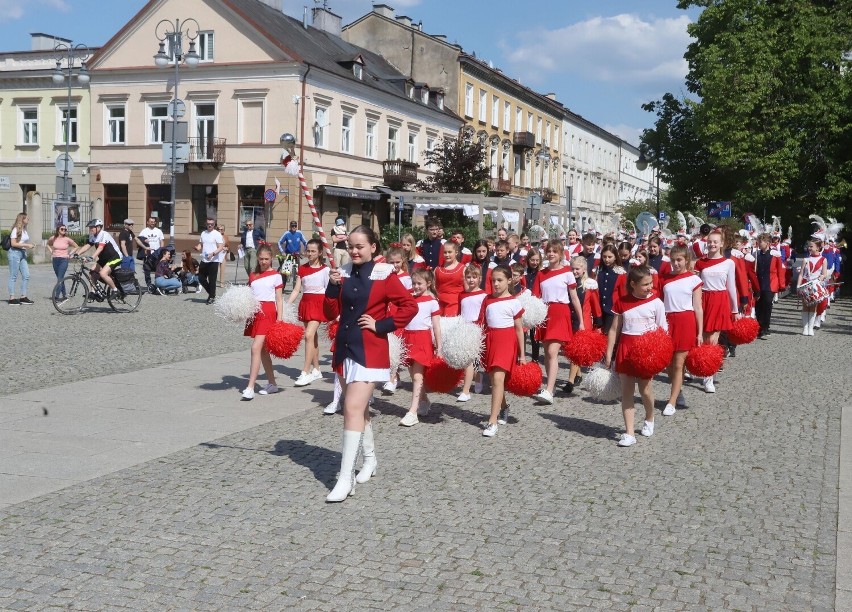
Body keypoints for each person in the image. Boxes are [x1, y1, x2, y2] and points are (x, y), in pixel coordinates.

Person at [322, 225, 417, 502]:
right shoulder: (345, 272)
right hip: (345, 349)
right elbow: (330, 312)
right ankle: (371, 459)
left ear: (373, 247)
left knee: (351, 407)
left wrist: (382, 325)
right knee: (359, 409)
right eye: (351, 246)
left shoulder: (384, 274)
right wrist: (332, 285)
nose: (354, 250)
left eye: (360, 246)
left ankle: (345, 477)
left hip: (370, 351)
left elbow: (409, 306)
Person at [605, 266, 668, 447]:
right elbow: (614, 329)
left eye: (651, 283)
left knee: (645, 390)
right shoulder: (621, 302)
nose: (650, 287)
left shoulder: (656, 302)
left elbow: (663, 330)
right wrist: (609, 354)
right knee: (627, 392)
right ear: (633, 284)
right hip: (625, 350)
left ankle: (649, 418)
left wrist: (658, 354)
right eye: (646, 284)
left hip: (646, 352)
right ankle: (629, 432)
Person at [531, 241, 585, 405]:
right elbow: (536, 298)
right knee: (547, 352)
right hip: (545, 314)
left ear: (561, 254)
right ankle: (551, 386)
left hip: (560, 313)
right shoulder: (541, 274)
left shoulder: (567, 273)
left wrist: (581, 321)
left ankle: (548, 390)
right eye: (549, 251)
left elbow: (574, 298)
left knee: (553, 351)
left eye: (554, 251)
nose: (551, 254)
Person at [477, 265, 526, 437]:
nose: (496, 284)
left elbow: (519, 330)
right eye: (493, 280)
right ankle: (504, 407)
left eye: (500, 280)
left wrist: (522, 354)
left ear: (509, 280)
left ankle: (492, 421)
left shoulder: (514, 302)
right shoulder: (487, 299)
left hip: (506, 342)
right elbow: (481, 322)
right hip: (491, 341)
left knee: (498, 378)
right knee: (495, 381)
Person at [694, 229, 739, 392]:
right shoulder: (700, 263)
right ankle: (700, 366)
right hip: (703, 300)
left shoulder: (729, 263)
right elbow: (695, 284)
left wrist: (735, 309)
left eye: (715, 242)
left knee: (713, 340)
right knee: (703, 338)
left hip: (720, 301)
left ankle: (709, 377)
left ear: (721, 244)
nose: (712, 244)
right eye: (710, 241)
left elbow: (731, 286)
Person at [661, 244, 703, 416]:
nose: (676, 264)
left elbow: (698, 307)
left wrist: (700, 333)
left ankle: (671, 401)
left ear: (686, 260)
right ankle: (678, 391)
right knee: (668, 365)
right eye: (673, 260)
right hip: (668, 321)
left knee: (679, 364)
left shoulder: (694, 280)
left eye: (679, 260)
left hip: (686, 321)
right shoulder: (664, 279)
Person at [399, 268, 442, 427]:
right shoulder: (409, 299)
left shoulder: (432, 302)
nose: (415, 286)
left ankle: (412, 412)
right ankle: (424, 401)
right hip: (408, 337)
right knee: (413, 374)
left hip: (422, 339)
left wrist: (439, 346)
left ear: (428, 283)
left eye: (419, 283)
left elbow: (436, 326)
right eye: (414, 283)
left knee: (418, 376)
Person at [242, 244, 284, 400]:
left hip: (268, 313)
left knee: (255, 348)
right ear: (257, 259)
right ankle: (272, 383)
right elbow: (248, 296)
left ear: (271, 258)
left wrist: (279, 319)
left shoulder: (276, 275)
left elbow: (279, 299)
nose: (264, 262)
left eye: (266, 259)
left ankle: (250, 386)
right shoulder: (252, 275)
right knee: (264, 350)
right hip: (255, 312)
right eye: (261, 259)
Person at [288, 238, 330, 387]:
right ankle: (317, 369)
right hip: (306, 302)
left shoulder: (326, 270)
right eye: (308, 251)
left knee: (308, 335)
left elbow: (329, 290)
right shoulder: (302, 268)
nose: (310, 254)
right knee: (313, 338)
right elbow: (296, 289)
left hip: (319, 303)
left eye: (313, 251)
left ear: (320, 252)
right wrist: (287, 305)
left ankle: (305, 372)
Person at [563, 256, 602, 394]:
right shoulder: (567, 282)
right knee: (569, 350)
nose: (574, 271)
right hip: (568, 320)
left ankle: (570, 381)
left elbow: (595, 305)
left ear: (584, 269)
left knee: (576, 352)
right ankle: (578, 374)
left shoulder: (590, 284)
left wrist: (598, 323)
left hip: (583, 322)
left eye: (577, 269)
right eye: (572, 269)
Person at [380, 245, 412, 396]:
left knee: (395, 348)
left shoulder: (405, 278)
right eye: (392, 262)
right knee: (389, 347)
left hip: (398, 316)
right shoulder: (385, 276)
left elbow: (408, 300)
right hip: (387, 314)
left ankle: (391, 379)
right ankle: (395, 377)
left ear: (403, 261)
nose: (395, 265)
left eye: (398, 262)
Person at [457, 265, 487, 401]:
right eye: (468, 277)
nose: (471, 280)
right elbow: (460, 312)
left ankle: (466, 391)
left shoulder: (484, 295)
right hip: (463, 329)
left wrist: (481, 330)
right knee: (465, 362)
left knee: (470, 360)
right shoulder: (462, 295)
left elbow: (484, 315)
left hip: (476, 330)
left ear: (479, 279)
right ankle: (477, 376)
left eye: (474, 277)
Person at [72, 219, 121, 294]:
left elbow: (100, 248)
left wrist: (92, 257)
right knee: (92, 272)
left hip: (115, 257)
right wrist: (77, 253)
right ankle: (93, 292)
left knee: (103, 273)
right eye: (89, 227)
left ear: (98, 227)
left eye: (92, 227)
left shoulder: (104, 234)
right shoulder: (93, 235)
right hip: (104, 259)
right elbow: (88, 245)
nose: (90, 229)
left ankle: (115, 290)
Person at [754, 233, 786, 337]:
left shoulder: (775, 254)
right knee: (758, 306)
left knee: (767, 304)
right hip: (759, 283)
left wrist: (782, 285)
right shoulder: (756, 254)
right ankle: (758, 326)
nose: (758, 244)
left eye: (761, 242)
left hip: (771, 283)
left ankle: (765, 327)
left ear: (767, 243)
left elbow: (780, 271)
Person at [798, 239, 828, 336]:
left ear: (818, 248)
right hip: (805, 285)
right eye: (809, 246)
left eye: (811, 246)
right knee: (805, 306)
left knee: (813, 307)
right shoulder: (806, 260)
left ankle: (810, 328)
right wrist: (798, 286)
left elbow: (824, 274)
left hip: (815, 285)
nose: (809, 248)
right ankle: (805, 328)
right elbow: (801, 274)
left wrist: (821, 277)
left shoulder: (823, 259)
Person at [596, 244, 627, 334]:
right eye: (604, 256)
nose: (607, 259)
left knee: (608, 334)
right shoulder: (598, 270)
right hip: (599, 309)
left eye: (610, 257)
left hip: (612, 310)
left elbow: (623, 294)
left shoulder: (620, 273)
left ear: (615, 257)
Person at [7, 213, 35, 305]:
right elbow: (13, 243)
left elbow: (22, 241)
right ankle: (11, 298)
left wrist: (29, 246)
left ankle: (23, 297)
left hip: (22, 253)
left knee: (26, 275)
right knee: (13, 276)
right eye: (27, 218)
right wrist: (27, 245)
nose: (28, 219)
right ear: (22, 219)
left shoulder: (24, 230)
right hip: (14, 253)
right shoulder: (15, 229)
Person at [195, 218, 225, 304]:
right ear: (206, 224)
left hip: (214, 260)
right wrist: (198, 248)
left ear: (214, 225)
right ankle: (212, 294)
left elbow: (220, 247)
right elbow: (201, 244)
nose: (210, 225)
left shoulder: (217, 234)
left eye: (212, 224)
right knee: (201, 278)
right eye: (208, 223)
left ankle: (211, 296)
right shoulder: (203, 233)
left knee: (212, 279)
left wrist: (213, 253)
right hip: (204, 259)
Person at [47, 224, 78, 299]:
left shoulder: (67, 239)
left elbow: (76, 246)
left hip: (64, 260)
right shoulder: (53, 238)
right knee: (60, 278)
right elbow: (48, 244)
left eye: (65, 229)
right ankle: (64, 294)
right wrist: (51, 251)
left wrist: (70, 254)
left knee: (60, 278)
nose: (64, 230)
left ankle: (56, 296)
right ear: (58, 229)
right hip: (55, 259)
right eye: (62, 229)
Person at [435, 240, 465, 316]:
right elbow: (433, 287)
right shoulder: (437, 269)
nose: (447, 255)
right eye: (445, 252)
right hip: (439, 303)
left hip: (455, 303)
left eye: (450, 252)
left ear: (456, 252)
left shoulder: (463, 268)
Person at [524, 249, 543, 361]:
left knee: (534, 334)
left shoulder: (541, 272)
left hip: (535, 305)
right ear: (528, 259)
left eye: (537, 260)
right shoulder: (524, 272)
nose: (535, 262)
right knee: (523, 333)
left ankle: (535, 358)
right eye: (532, 260)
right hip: (524, 303)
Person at [278, 221, 307, 289]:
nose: (294, 227)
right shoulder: (287, 233)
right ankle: (282, 288)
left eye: (295, 226)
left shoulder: (299, 233)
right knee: (285, 272)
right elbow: (279, 242)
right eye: (292, 226)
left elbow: (306, 242)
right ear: (290, 227)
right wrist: (282, 251)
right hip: (288, 255)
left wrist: (304, 251)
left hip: (297, 255)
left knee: (298, 273)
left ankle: (297, 288)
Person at [138, 217, 164, 291]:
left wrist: (161, 250)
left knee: (158, 270)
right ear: (147, 222)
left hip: (157, 254)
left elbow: (162, 241)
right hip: (147, 254)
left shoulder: (158, 231)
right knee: (147, 271)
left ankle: (158, 284)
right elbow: (139, 240)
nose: (152, 223)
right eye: (151, 221)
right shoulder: (144, 231)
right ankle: (149, 285)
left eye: (154, 222)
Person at [217, 223, 231, 289]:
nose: (220, 231)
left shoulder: (226, 237)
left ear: (224, 230)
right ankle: (212, 281)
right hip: (216, 255)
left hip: (223, 255)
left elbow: (228, 245)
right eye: (219, 229)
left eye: (221, 229)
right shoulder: (215, 236)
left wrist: (226, 248)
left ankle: (222, 283)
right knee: (214, 269)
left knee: (222, 269)